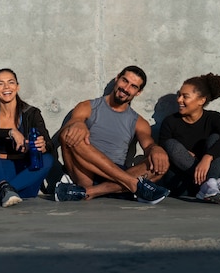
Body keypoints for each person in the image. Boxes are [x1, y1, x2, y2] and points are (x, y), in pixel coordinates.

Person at [55, 65, 170, 204]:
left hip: (116, 174)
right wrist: (78, 123)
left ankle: (88, 192)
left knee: (160, 165)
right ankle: (132, 185)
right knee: (69, 134)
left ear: (138, 92)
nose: (126, 88)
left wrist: (156, 149)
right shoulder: (88, 106)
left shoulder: (139, 122)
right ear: (117, 78)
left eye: (133, 86)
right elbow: (69, 127)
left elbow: (148, 144)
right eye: (124, 81)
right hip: (86, 171)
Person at [0, 68, 55, 208]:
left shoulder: (32, 113)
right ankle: (3, 187)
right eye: (0, 84)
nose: (6, 87)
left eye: (10, 82)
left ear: (17, 87)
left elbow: (49, 144)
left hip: (23, 176)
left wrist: (43, 146)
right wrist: (10, 132)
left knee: (48, 159)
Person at [158, 73, 220, 204]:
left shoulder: (214, 118)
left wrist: (207, 157)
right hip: (181, 184)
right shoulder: (170, 122)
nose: (179, 100)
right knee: (170, 144)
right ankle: (211, 184)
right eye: (179, 95)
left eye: (185, 96)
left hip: (213, 185)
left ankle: (210, 184)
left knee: (216, 138)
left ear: (201, 100)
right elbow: (162, 150)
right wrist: (187, 157)